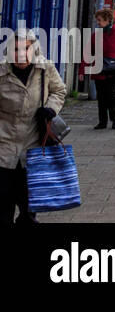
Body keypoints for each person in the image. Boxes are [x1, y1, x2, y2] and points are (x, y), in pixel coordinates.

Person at [0, 29, 67, 224]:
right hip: (3, 148)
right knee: (2, 208)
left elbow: (59, 91)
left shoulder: (45, 68)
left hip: (34, 148)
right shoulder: (2, 71)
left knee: (29, 209)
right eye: (16, 49)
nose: (21, 54)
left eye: (26, 49)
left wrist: (50, 109)